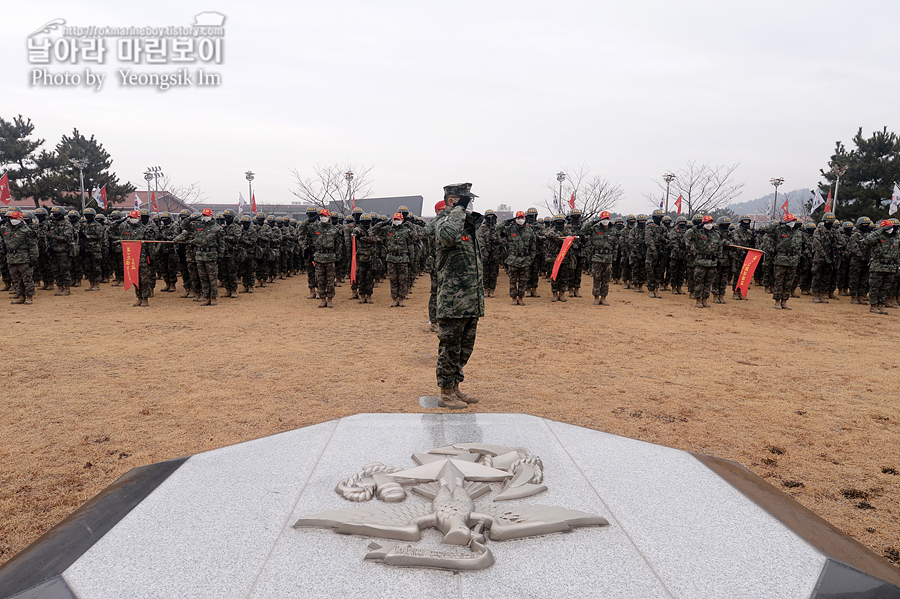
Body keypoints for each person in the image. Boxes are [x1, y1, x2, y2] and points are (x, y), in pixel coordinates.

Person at [434, 183, 483, 409]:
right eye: (466, 200)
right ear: (453, 200)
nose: (470, 203)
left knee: (464, 349)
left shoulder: (467, 225)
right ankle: (445, 392)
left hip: (471, 300)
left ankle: (455, 388)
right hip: (453, 301)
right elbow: (447, 236)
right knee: (450, 348)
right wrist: (456, 211)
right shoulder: (444, 222)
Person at [372, 211, 416, 307]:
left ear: (402, 220)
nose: (396, 221)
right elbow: (374, 231)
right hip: (391, 258)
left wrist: (411, 260)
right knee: (393, 280)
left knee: (403, 280)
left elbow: (411, 246)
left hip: (403, 259)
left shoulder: (406, 231)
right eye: (395, 219)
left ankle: (401, 299)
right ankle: (394, 299)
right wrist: (382, 223)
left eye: (398, 219)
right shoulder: (388, 230)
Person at [2, 210, 39, 304]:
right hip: (11, 258)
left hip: (24, 258)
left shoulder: (27, 231)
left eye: (15, 218)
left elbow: (33, 246)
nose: (13, 220)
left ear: (21, 219)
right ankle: (21, 296)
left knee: (27, 279)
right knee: (16, 279)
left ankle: (29, 297)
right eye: (11, 218)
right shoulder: (6, 229)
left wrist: (33, 258)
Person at [306, 208, 341, 308]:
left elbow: (339, 245)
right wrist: (310, 220)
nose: (323, 218)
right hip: (319, 258)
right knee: (320, 280)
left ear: (329, 217)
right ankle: (322, 300)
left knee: (330, 280)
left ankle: (330, 300)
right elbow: (302, 229)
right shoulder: (315, 228)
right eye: (321, 216)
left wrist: (337, 258)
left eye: (325, 216)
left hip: (330, 258)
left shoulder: (334, 230)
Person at [119, 210, 155, 307]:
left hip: (142, 258)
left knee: (144, 279)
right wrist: (119, 221)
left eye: (134, 218)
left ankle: (145, 298)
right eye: (131, 218)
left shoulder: (145, 230)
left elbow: (151, 246)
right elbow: (111, 229)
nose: (132, 220)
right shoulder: (126, 229)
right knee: (135, 279)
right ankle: (139, 298)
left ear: (139, 218)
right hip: (131, 258)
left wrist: (151, 258)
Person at [581, 210, 618, 305]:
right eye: (603, 219)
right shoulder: (595, 229)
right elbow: (583, 231)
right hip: (597, 257)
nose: (605, 220)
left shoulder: (613, 231)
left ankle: (604, 298)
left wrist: (614, 258)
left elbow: (615, 245)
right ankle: (596, 297)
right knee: (596, 278)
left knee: (606, 280)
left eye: (607, 219)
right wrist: (593, 222)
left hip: (608, 258)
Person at [501, 210, 537, 305]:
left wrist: (531, 259)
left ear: (525, 218)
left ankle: (521, 297)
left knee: (523, 281)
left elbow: (533, 246)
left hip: (525, 260)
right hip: (513, 259)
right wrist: (507, 221)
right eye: (518, 218)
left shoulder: (529, 231)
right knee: (512, 280)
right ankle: (513, 297)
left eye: (522, 218)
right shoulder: (510, 229)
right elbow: (497, 229)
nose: (520, 220)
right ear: (516, 219)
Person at [684, 215, 721, 308]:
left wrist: (718, 260)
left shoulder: (716, 235)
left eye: (711, 222)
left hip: (711, 262)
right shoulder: (698, 233)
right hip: (700, 261)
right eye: (707, 223)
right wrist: (696, 227)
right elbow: (687, 235)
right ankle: (698, 300)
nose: (709, 224)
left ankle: (705, 299)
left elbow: (719, 247)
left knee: (708, 282)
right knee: (698, 281)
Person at [864, 219, 900, 314]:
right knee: (875, 287)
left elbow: (897, 253)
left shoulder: (895, 238)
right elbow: (868, 239)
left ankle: (880, 305)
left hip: (890, 267)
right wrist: (881, 230)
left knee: (885, 288)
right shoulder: (878, 237)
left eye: (892, 227)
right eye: (889, 227)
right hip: (878, 266)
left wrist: (897, 266)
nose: (891, 229)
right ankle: (873, 306)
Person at [770, 213, 804, 310]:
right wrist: (778, 223)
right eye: (790, 221)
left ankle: (784, 301)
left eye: (793, 221)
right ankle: (777, 301)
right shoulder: (779, 230)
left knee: (789, 282)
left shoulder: (798, 233)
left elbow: (800, 247)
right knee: (779, 281)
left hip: (793, 260)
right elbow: (768, 230)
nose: (792, 223)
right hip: (781, 259)